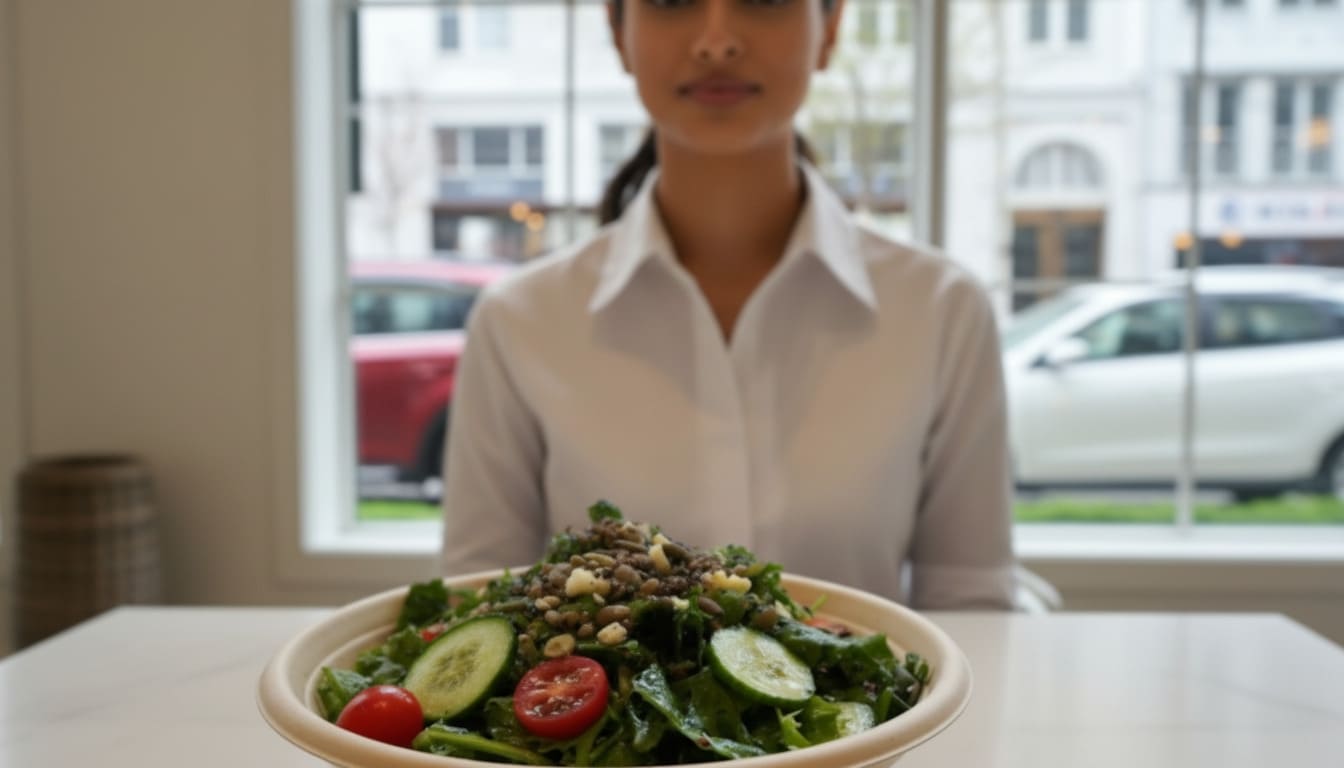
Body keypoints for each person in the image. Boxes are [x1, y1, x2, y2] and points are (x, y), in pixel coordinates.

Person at [440, 0, 1016, 609]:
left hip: (885, 710)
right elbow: (479, 612)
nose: (717, 40)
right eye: (670, 2)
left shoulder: (942, 312)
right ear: (618, 33)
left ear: (831, 28)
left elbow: (971, 606)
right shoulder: (520, 323)